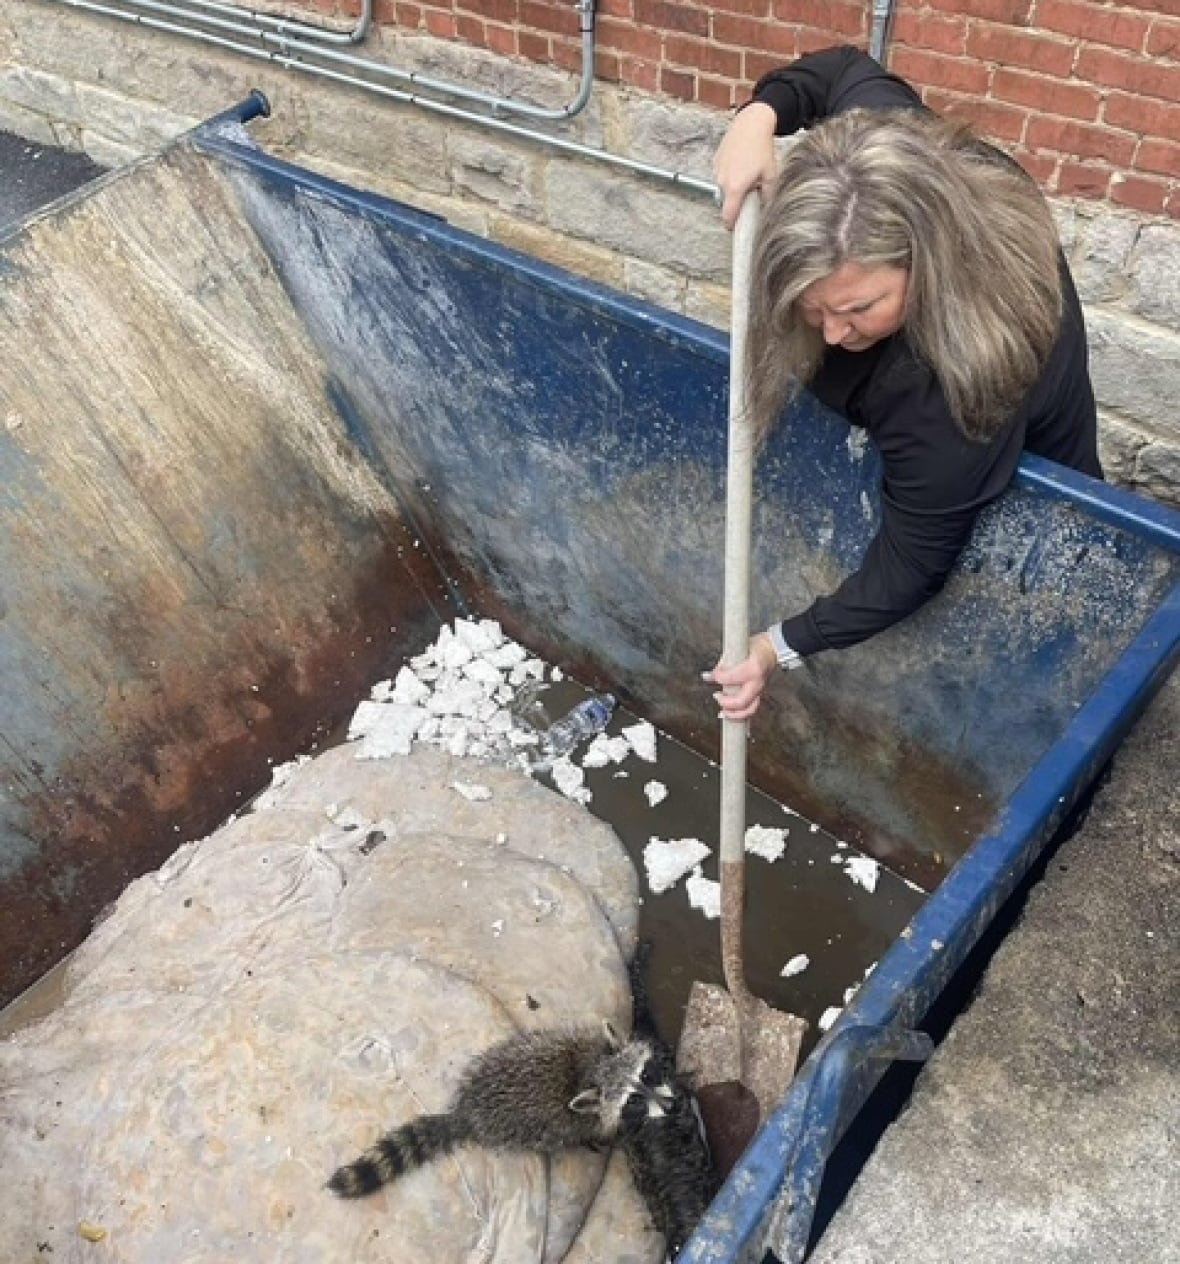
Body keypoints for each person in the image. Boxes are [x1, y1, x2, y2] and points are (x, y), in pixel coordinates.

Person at [706, 44, 1102, 722]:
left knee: (1036, 635)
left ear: (925, 261)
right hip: (937, 426)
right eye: (814, 304)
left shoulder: (951, 384)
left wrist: (777, 647)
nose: (831, 332)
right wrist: (757, 117)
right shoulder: (883, 151)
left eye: (859, 307)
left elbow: (909, 567)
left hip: (1035, 477)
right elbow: (837, 69)